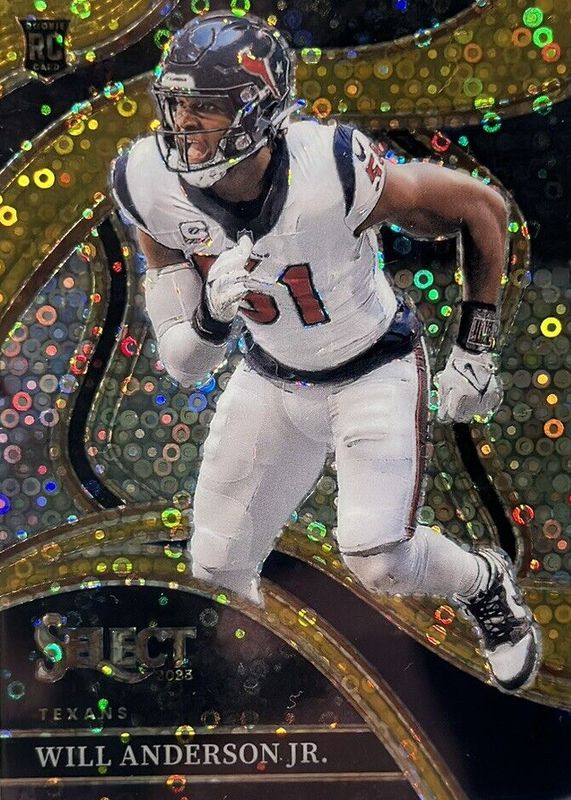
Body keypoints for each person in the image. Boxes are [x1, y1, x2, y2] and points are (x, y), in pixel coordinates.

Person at [111, 11, 540, 692]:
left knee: (380, 562)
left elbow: (480, 207)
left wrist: (475, 345)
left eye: (207, 106)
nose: (184, 124)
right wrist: (212, 318)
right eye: (178, 104)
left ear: (257, 109)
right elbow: (186, 363)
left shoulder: (331, 167)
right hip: (269, 376)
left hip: (371, 369)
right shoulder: (146, 181)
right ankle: (271, 689)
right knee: (217, 564)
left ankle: (483, 582)